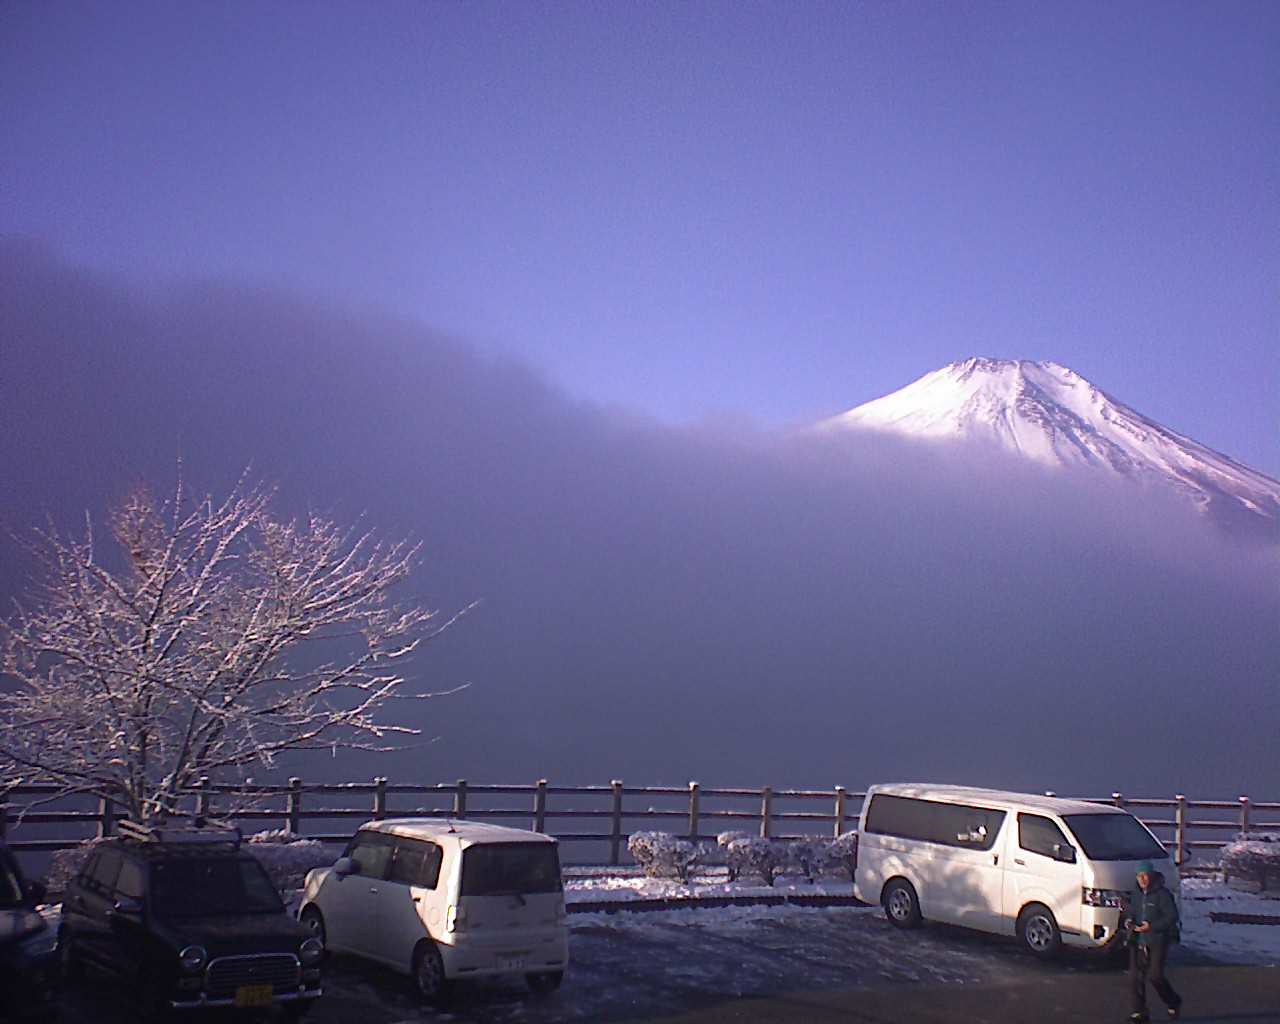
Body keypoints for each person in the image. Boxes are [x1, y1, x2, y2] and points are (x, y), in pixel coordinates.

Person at [1123, 859, 1182, 1022]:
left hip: (1157, 940)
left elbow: (1172, 916)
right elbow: (1130, 912)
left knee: (1155, 976)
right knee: (1135, 978)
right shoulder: (1135, 894)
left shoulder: (1162, 895)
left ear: (1152, 876)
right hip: (1137, 940)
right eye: (1139, 876)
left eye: (1145, 876)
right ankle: (1139, 1012)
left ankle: (1173, 1001)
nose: (1142, 879)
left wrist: (1152, 926)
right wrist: (1128, 921)